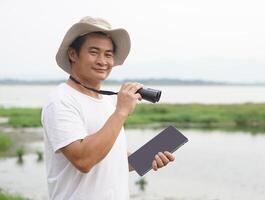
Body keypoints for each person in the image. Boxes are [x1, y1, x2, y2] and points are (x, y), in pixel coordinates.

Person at [41, 16, 175, 200]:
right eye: (94, 52)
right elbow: (84, 160)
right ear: (73, 54)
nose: (102, 61)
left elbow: (110, 159)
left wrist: (145, 158)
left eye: (108, 54)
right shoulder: (61, 100)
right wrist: (121, 112)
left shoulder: (106, 102)